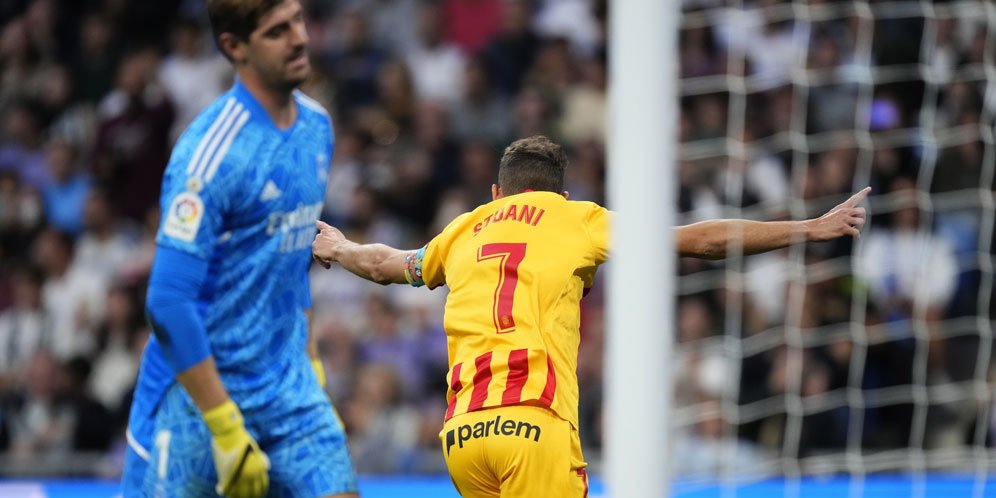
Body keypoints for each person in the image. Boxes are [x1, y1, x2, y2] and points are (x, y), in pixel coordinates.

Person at [311, 135, 869, 498]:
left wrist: (340, 247)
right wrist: (808, 229)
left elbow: (388, 264)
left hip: (462, 436)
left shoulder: (463, 228)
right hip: (532, 424)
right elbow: (701, 240)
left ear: (495, 192)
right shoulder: (577, 219)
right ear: (562, 191)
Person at [122, 1, 358, 497]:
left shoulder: (316, 128)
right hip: (201, 398)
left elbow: (292, 261)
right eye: (276, 31)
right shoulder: (209, 155)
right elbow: (167, 302)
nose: (299, 38)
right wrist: (225, 424)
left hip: (288, 388)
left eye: (297, 20)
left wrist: (310, 361)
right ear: (234, 47)